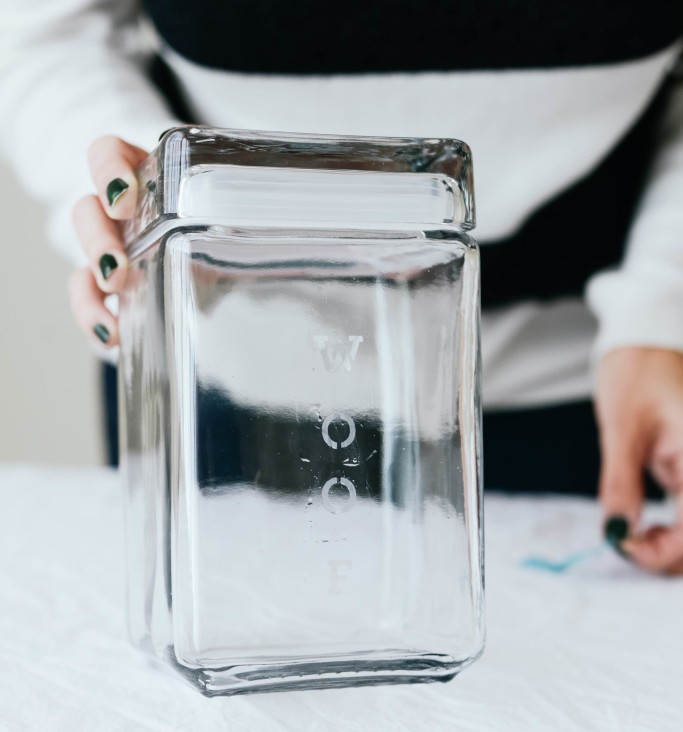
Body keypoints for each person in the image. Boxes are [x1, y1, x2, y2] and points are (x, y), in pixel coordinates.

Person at [1, 1, 683, 573]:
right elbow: (49, 33)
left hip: (598, 387)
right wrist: (157, 207)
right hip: (216, 365)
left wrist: (662, 305)